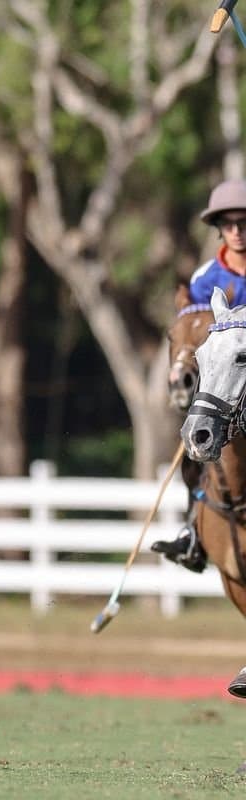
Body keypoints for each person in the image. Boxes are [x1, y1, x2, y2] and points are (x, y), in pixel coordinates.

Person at [151, 178, 246, 572]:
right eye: (229, 224)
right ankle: (194, 532)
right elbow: (194, 332)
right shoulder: (206, 278)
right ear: (219, 229)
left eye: (245, 223)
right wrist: (183, 375)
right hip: (229, 382)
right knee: (195, 448)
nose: (238, 232)